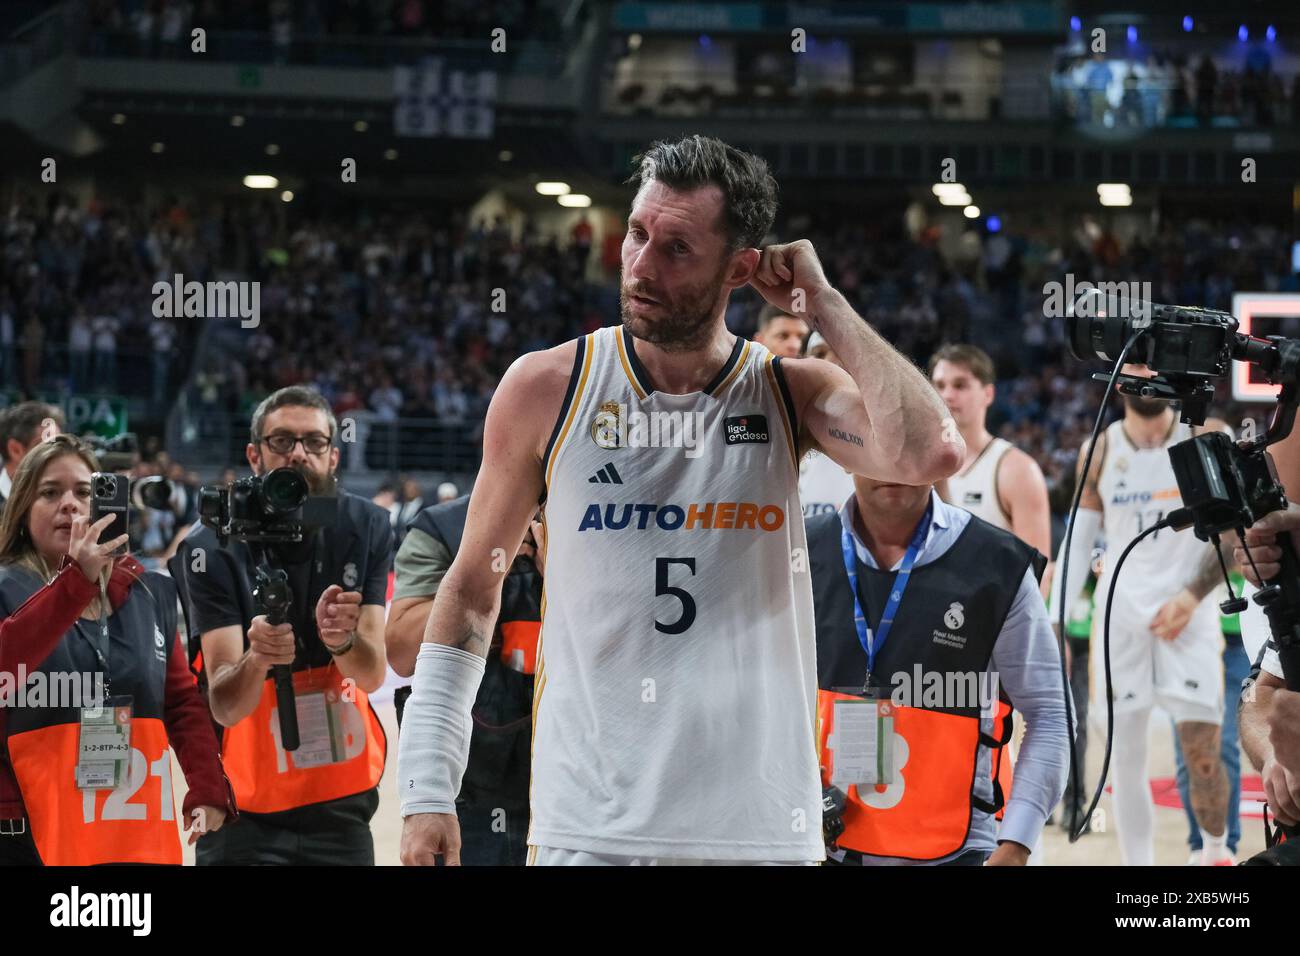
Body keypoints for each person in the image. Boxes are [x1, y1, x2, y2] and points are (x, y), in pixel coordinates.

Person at [398, 134, 962, 866]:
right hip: (589, 828)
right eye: (637, 233)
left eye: (677, 249)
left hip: (759, 828)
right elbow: (473, 590)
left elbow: (930, 452)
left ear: (740, 269)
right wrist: (427, 788)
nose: (640, 265)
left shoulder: (791, 393)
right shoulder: (547, 387)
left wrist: (823, 304)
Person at [173, 385, 393, 865]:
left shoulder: (365, 525)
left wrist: (342, 641)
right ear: (254, 455)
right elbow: (227, 707)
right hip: (245, 808)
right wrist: (258, 659)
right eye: (282, 441)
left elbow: (372, 674)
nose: (298, 453)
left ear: (334, 456)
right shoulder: (211, 546)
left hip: (340, 799)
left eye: (314, 442)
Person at [807, 474, 1066, 865]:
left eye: (908, 442)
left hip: (960, 848)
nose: (893, 462)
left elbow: (1051, 713)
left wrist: (1016, 846)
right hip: (826, 844)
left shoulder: (999, 563)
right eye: (879, 440)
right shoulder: (799, 550)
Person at [0, 435, 233, 865]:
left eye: (86, 492)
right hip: (26, 838)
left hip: (128, 827)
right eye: (50, 492)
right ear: (21, 512)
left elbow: (180, 700)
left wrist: (206, 785)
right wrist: (75, 582)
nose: (70, 504)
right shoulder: (4, 587)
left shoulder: (150, 589)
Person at [1050, 364, 1233, 865]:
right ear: (1115, 377)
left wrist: (1192, 596)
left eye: (1153, 363)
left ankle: (1216, 854)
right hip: (1121, 621)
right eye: (1132, 366)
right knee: (1125, 761)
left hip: (1189, 617)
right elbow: (1077, 544)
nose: (1143, 374)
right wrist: (1055, 626)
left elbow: (1236, 533)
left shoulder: (1207, 435)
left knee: (1203, 754)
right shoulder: (1100, 449)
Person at [386, 494, 543, 865]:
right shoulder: (443, 527)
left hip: (574, 786)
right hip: (468, 788)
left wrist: (562, 575)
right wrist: (484, 575)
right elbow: (402, 653)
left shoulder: (595, 519)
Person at [930, 344, 1052, 596]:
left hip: (992, 624)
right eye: (939, 386)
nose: (947, 395)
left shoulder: (1016, 469)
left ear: (988, 394)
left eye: (960, 385)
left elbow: (1037, 575)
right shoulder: (922, 468)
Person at [1171, 573, 1249, 863]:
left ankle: (1225, 844)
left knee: (1225, 744)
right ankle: (1198, 844)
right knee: (1184, 755)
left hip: (1235, 641)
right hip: (1185, 642)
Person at [797, 331, 854, 518]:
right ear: (800, 363)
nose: (831, 364)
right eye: (820, 354)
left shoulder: (887, 451)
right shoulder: (779, 443)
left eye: (843, 354)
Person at [0, 402, 65, 512]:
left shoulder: (66, 501)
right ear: (15, 450)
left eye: (61, 446)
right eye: (48, 447)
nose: (59, 456)